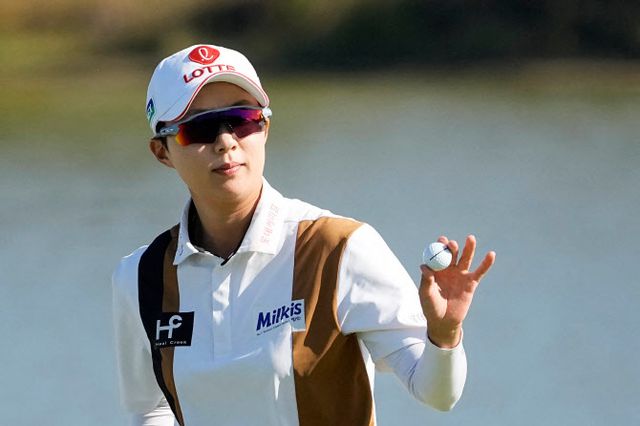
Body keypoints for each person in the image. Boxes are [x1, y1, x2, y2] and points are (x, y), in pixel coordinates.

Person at [112, 43, 496, 426]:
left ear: (264, 128)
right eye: (199, 127)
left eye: (242, 119)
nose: (226, 141)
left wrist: (444, 334)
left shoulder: (339, 247)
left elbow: (438, 394)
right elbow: (151, 408)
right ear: (162, 152)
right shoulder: (141, 276)